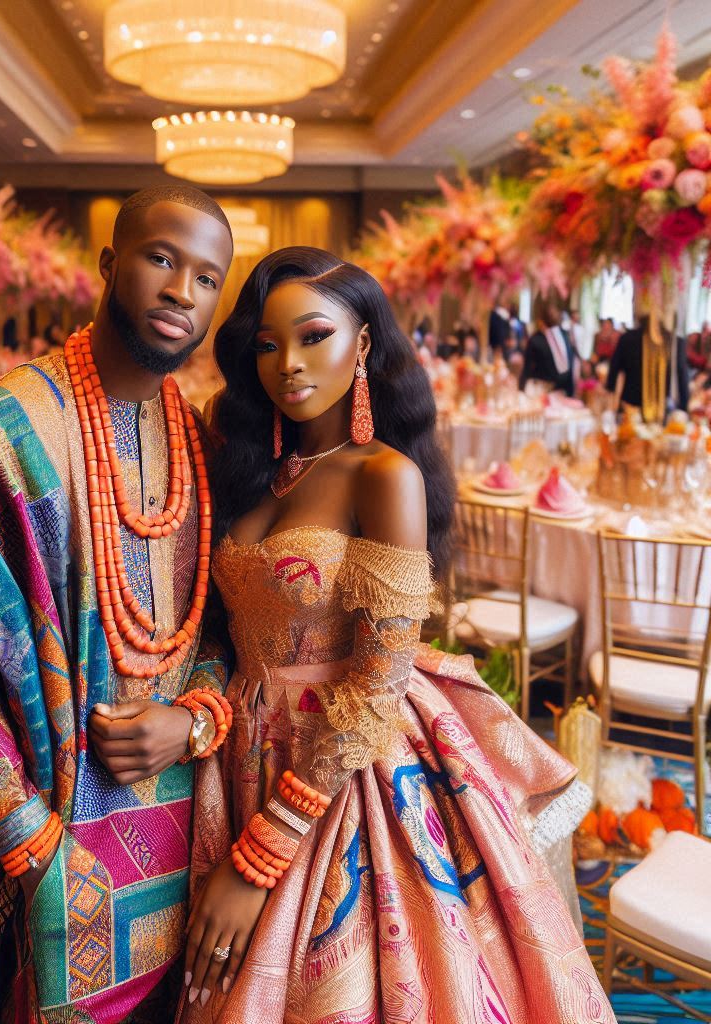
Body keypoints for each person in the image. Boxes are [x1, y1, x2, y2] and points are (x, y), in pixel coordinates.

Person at [179, 247, 611, 1023]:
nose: (289, 364)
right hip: (237, 756)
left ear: (365, 343)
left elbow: (379, 683)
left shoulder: (385, 476)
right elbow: (224, 629)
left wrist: (264, 853)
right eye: (267, 346)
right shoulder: (253, 466)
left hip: (342, 769)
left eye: (314, 336)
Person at [0, 185, 235, 1024]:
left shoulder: (200, 441)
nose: (184, 291)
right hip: (44, 836)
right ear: (110, 264)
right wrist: (26, 836)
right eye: (161, 259)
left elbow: (226, 627)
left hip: (184, 825)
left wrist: (189, 722)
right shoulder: (6, 430)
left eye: (208, 278)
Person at [606, 314, 690, 417]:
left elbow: (612, 375)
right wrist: (684, 410)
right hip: (660, 412)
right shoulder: (675, 342)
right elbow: (683, 382)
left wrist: (610, 400)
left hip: (631, 408)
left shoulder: (627, 339)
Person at [521, 300, 576, 395]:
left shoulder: (564, 335)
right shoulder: (537, 340)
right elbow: (527, 370)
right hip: (554, 392)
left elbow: (527, 371)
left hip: (555, 392)